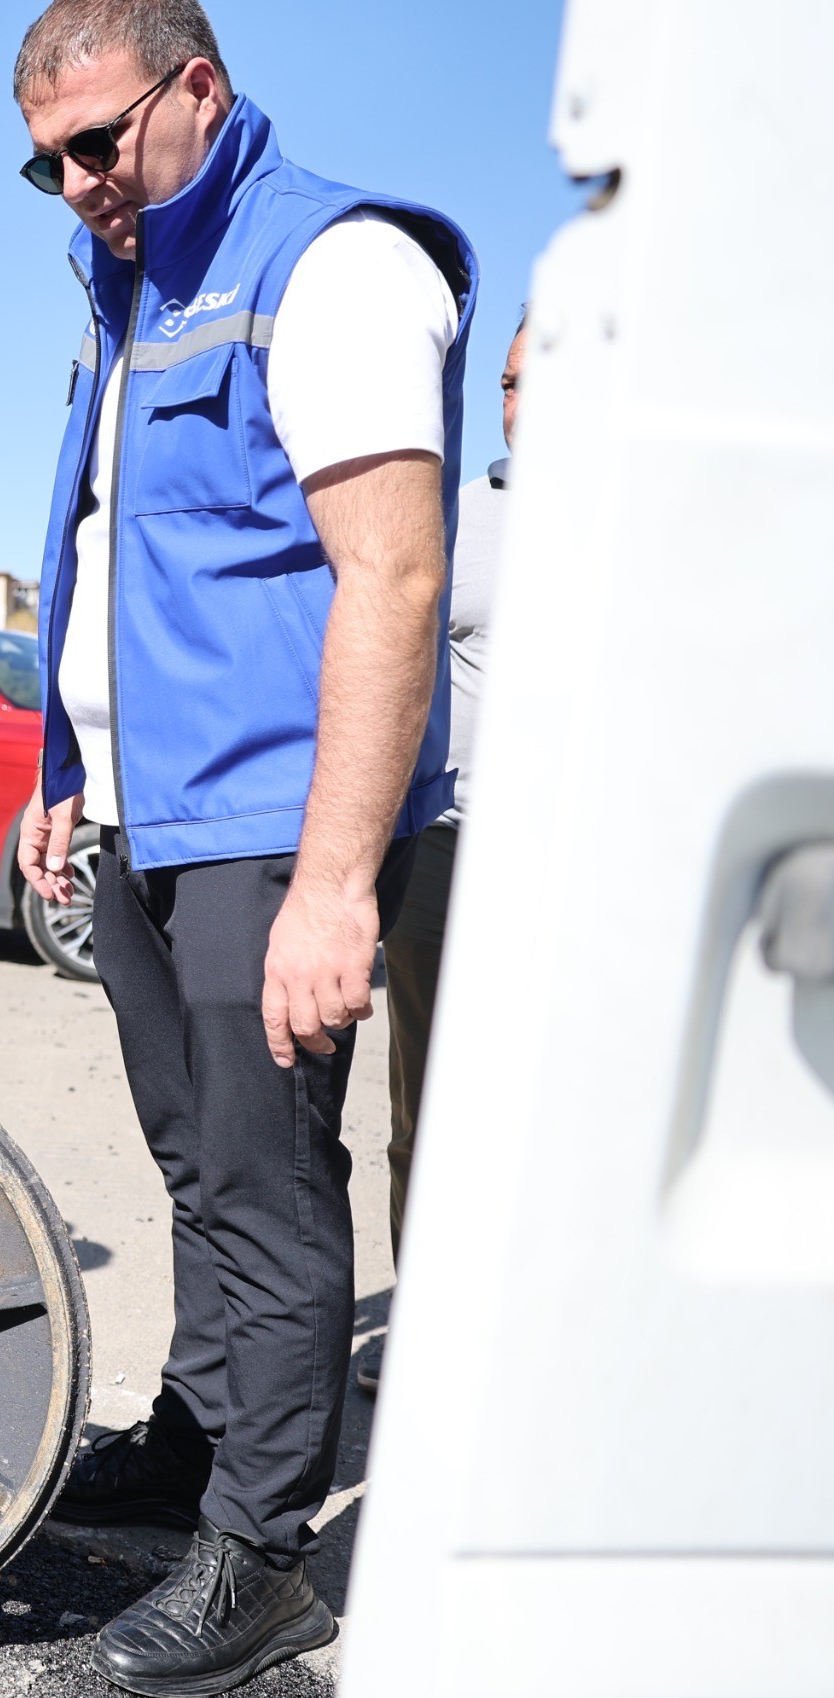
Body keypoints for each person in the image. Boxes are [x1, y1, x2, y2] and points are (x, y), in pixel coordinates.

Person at [7, 1, 474, 1694]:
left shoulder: (331, 266)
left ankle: (263, 1555)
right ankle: (201, 1441)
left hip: (274, 824)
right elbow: (118, 557)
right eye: (44, 160)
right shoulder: (127, 290)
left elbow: (395, 579)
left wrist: (337, 880)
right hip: (145, 816)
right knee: (198, 1163)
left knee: (273, 1186)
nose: (74, 186)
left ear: (199, 88)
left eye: (99, 144)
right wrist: (68, 763)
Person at [361, 315, 519, 1394]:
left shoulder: (641, 528)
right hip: (447, 849)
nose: (522, 399)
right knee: (425, 1099)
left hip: (570, 863)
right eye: (510, 381)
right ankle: (426, 1316)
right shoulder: (460, 517)